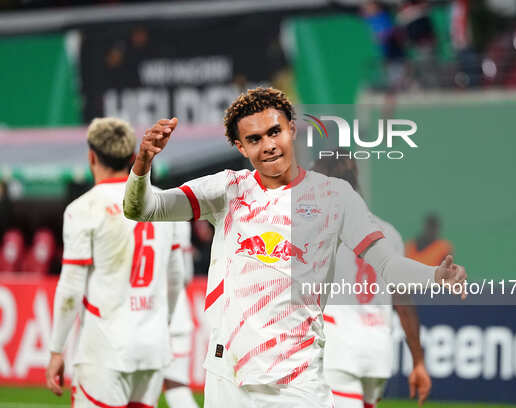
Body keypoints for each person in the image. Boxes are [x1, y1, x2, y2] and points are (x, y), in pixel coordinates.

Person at [123, 87, 467, 406]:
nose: (269, 145)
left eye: (275, 132)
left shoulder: (335, 196)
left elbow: (388, 265)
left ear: (291, 129)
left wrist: (435, 274)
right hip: (228, 372)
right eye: (254, 139)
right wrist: (143, 165)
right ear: (241, 148)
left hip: (299, 375)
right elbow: (142, 208)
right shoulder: (228, 189)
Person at [46, 117, 183, 408]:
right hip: (152, 349)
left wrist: (56, 349)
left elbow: (71, 288)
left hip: (105, 350)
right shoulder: (164, 202)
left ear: (91, 156)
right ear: (132, 157)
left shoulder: (84, 208)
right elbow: (175, 277)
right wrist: (162, 324)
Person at [313, 155, 431, 408]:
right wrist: (418, 361)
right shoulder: (390, 233)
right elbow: (403, 303)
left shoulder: (322, 228)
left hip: (339, 347)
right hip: (378, 350)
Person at [163, 220, 200, 408]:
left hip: (143, 314)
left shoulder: (128, 209)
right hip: (178, 314)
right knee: (177, 388)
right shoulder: (179, 218)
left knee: (137, 391)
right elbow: (185, 275)